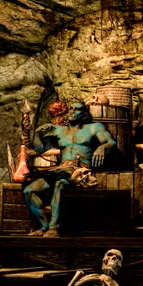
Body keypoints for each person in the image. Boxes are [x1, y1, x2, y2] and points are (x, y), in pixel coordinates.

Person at [23, 101, 116, 237]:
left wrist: (102, 147)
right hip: (61, 170)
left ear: (84, 115)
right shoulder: (59, 130)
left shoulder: (93, 128)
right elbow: (40, 149)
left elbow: (111, 142)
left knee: (60, 184)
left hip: (80, 172)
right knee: (29, 190)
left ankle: (53, 228)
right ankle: (44, 226)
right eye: (70, 108)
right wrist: (37, 133)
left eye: (76, 109)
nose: (72, 111)